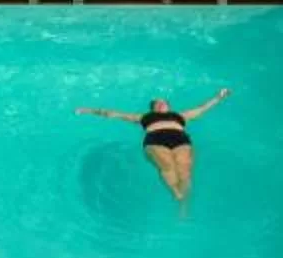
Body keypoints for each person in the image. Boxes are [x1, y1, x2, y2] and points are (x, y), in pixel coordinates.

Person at [77, 87, 232, 204]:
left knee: (185, 170)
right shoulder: (144, 116)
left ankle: (185, 203)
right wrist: (88, 110)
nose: (161, 104)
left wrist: (219, 97)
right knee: (167, 166)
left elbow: (202, 108)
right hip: (156, 140)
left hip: (180, 140)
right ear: (152, 108)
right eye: (157, 103)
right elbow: (115, 114)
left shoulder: (181, 116)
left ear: (169, 106)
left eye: (163, 102)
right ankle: (176, 193)